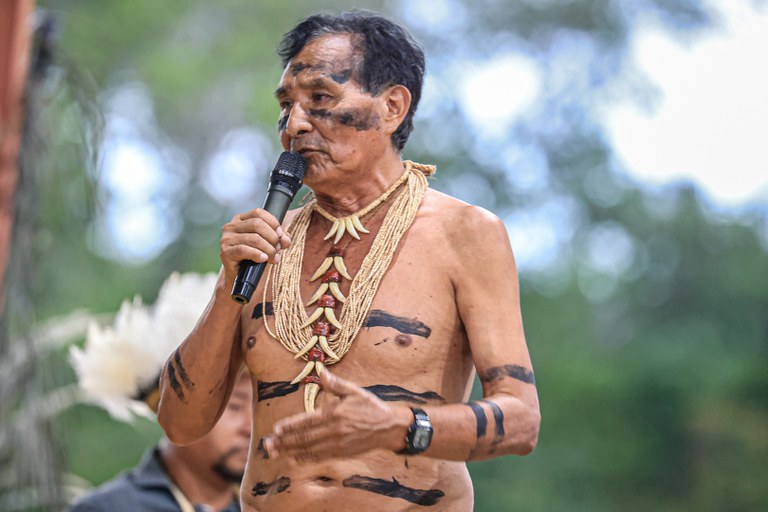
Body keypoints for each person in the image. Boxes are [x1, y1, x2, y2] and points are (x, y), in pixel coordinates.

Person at [157, 10, 540, 511]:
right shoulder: (266, 243)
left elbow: (522, 421)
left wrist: (401, 426)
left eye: (320, 99)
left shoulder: (464, 234)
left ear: (392, 107)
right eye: (286, 105)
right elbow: (180, 426)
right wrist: (229, 287)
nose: (294, 125)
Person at [69, 371, 252, 512]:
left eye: (262, 408)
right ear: (176, 416)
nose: (251, 427)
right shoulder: (108, 508)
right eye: (234, 406)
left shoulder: (268, 504)